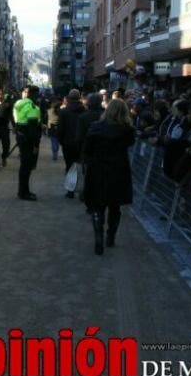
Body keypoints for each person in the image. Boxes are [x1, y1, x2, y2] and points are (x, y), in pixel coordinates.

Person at [83, 99, 136, 255]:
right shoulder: (127, 130)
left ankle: (98, 236)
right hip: (118, 171)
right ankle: (110, 236)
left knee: (97, 206)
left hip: (97, 170)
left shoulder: (95, 127)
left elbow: (87, 150)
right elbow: (129, 144)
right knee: (115, 205)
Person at [13, 85, 42, 201]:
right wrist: (35, 145)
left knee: (23, 167)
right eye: (37, 94)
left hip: (21, 137)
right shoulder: (32, 108)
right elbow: (33, 130)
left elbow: (16, 120)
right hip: (28, 141)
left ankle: (22, 191)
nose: (38, 97)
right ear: (34, 94)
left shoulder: (20, 104)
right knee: (27, 167)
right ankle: (24, 193)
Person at [57, 89, 85, 198]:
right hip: (80, 144)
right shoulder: (84, 111)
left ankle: (70, 190)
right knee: (81, 166)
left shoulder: (64, 112)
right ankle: (82, 191)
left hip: (68, 144)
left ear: (69, 98)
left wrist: (62, 142)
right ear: (79, 98)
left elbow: (60, 130)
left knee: (69, 166)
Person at [47, 97, 61, 161]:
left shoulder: (49, 111)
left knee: (53, 141)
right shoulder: (61, 111)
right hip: (58, 127)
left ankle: (54, 154)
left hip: (51, 127)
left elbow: (47, 119)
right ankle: (56, 152)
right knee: (57, 141)